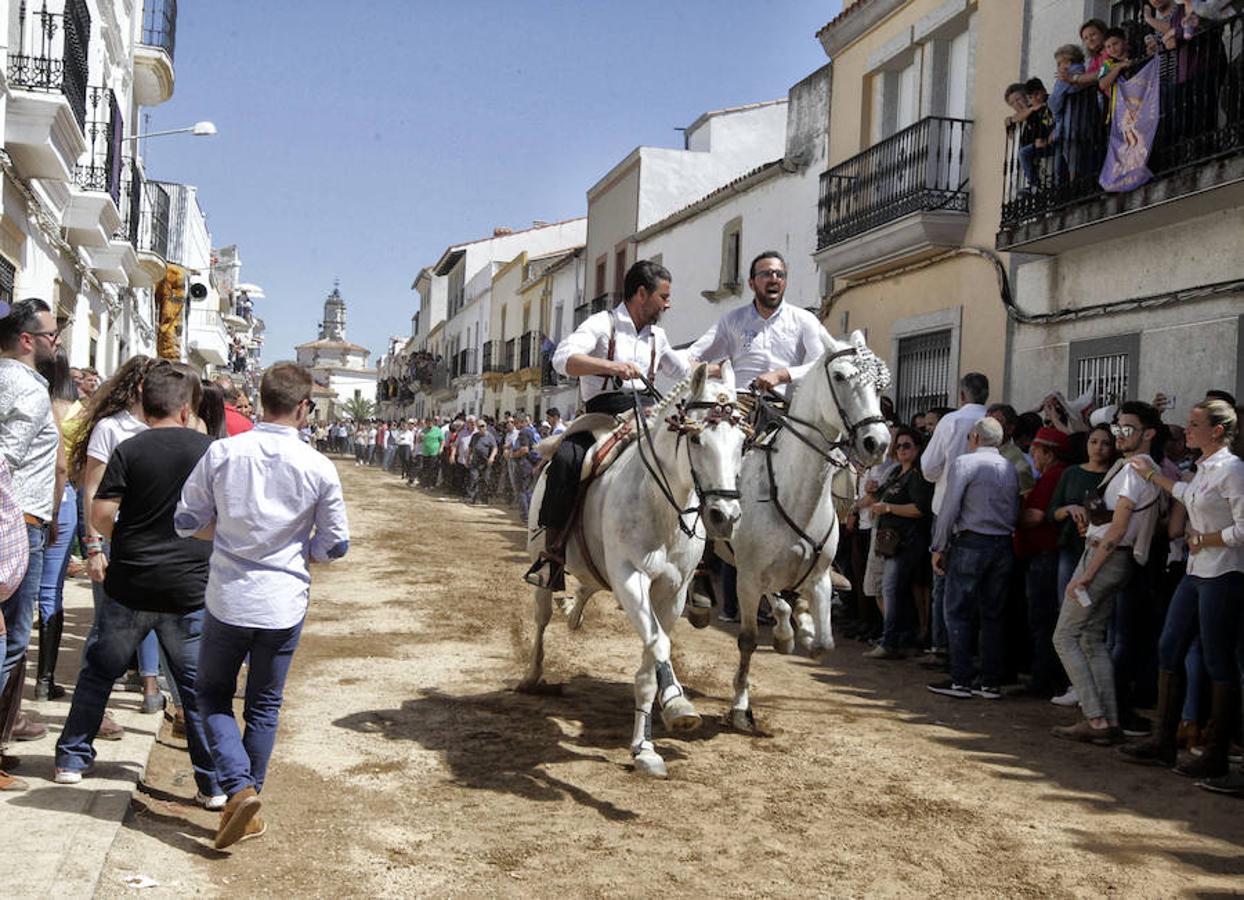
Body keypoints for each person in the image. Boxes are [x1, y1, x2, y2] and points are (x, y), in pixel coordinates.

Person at [176, 362, 349, 850]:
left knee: (210, 695)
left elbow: (186, 520)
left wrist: (228, 534)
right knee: (265, 704)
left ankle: (239, 789)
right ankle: (248, 797)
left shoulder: (223, 452)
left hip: (229, 596)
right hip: (283, 601)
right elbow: (336, 545)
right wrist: (301, 550)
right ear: (302, 407)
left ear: (261, 397)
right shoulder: (319, 465)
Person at [53, 363, 223, 811]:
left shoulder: (129, 448)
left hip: (131, 581)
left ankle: (72, 757)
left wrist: (125, 538)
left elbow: (102, 515)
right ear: (186, 410)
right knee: (195, 687)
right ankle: (211, 784)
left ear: (146, 406)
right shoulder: (212, 452)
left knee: (98, 671)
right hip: (187, 586)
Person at [529, 260, 692, 589]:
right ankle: (553, 555)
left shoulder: (658, 336)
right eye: (664, 296)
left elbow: (683, 369)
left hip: (649, 415)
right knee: (567, 461)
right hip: (603, 415)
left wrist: (714, 371)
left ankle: (692, 563)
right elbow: (563, 359)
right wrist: (612, 367)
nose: (668, 304)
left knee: (693, 458)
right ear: (641, 293)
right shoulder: (602, 324)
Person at [1119, 400, 1243, 783]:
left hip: (1223, 573)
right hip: (1196, 571)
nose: (1186, 430)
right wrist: (1155, 476)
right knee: (1169, 645)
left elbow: (1242, 528)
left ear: (1217, 431)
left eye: (1194, 424)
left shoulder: (1232, 470)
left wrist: (1205, 537)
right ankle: (1163, 739)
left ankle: (1216, 753)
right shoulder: (1205, 469)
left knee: (1218, 659)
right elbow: (1187, 495)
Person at [1052, 402, 1163, 745]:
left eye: (1127, 428)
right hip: (1115, 558)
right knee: (1091, 637)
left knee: (1065, 636)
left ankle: (1096, 717)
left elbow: (1117, 530)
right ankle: (1108, 718)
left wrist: (1087, 573)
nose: (1119, 434)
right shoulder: (1137, 467)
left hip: (1105, 558)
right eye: (1118, 427)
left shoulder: (1135, 470)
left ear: (1148, 433)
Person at [75, 355, 165, 716]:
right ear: (142, 386)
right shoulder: (110, 429)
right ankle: (95, 710)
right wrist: (94, 547)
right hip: (114, 537)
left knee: (154, 616)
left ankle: (151, 685)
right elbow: (92, 489)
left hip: (150, 540)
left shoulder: (161, 428)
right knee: (106, 627)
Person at [0, 299, 62, 790]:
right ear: (28, 340)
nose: (55, 343)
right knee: (12, 641)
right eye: (51, 335)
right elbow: (6, 458)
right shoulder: (28, 389)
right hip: (18, 523)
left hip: (21, 520)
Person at [927, 417, 1020, 700]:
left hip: (971, 543)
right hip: (1002, 544)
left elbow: (949, 508)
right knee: (992, 615)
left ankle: (960, 680)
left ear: (975, 438)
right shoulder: (1010, 468)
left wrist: (939, 547)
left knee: (958, 612)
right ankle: (990, 682)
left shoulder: (965, 464)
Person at [920, 372, 990, 662]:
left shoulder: (950, 421)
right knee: (980, 589)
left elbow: (929, 467)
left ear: (961, 395)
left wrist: (944, 477)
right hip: (984, 515)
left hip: (947, 509)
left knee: (943, 581)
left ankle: (943, 647)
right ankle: (974, 653)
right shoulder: (992, 421)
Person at [34, 350, 80, 700]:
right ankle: (44, 681)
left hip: (26, 501)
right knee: (52, 590)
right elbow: (68, 468)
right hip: (62, 503)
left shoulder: (34, 403)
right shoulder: (79, 413)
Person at [863, 427, 932, 659]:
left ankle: (891, 641)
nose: (902, 450)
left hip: (906, 542)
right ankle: (898, 637)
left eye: (907, 446)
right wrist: (870, 494)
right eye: (899, 446)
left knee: (891, 589)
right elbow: (878, 495)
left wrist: (890, 508)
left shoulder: (917, 476)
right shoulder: (895, 473)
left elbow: (919, 509)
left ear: (918, 448)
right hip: (889, 542)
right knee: (888, 590)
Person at [1014, 426, 1072, 699]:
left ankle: (1043, 678)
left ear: (1047, 453)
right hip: (1043, 557)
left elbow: (1035, 516)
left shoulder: (1052, 477)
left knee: (1042, 619)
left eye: (1035, 451)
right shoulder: (1051, 475)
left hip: (1045, 558)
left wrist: (1010, 516)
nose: (1032, 455)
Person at [467, 418, 499, 504]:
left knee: (485, 480)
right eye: (480, 426)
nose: (481, 428)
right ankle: (472, 498)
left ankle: (483, 498)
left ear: (486, 426)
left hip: (486, 462)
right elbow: (470, 448)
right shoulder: (475, 436)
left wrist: (492, 457)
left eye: (483, 426)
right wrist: (468, 458)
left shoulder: (490, 436)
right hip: (475, 462)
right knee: (473, 478)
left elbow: (495, 448)